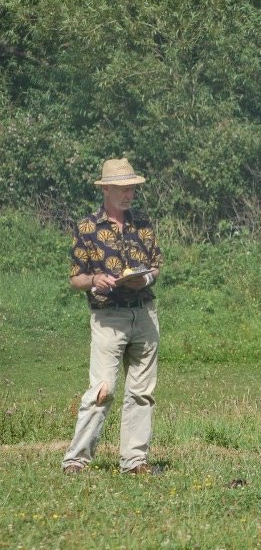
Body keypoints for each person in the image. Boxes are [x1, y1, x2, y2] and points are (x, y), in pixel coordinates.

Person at [62, 158, 163, 475]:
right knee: (102, 390)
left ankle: (134, 461)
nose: (128, 194)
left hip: (144, 314)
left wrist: (144, 278)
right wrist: (95, 280)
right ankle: (76, 459)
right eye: (122, 188)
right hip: (108, 317)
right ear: (106, 189)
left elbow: (156, 265)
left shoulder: (143, 225)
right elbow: (76, 278)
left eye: (132, 188)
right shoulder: (86, 228)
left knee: (142, 393)